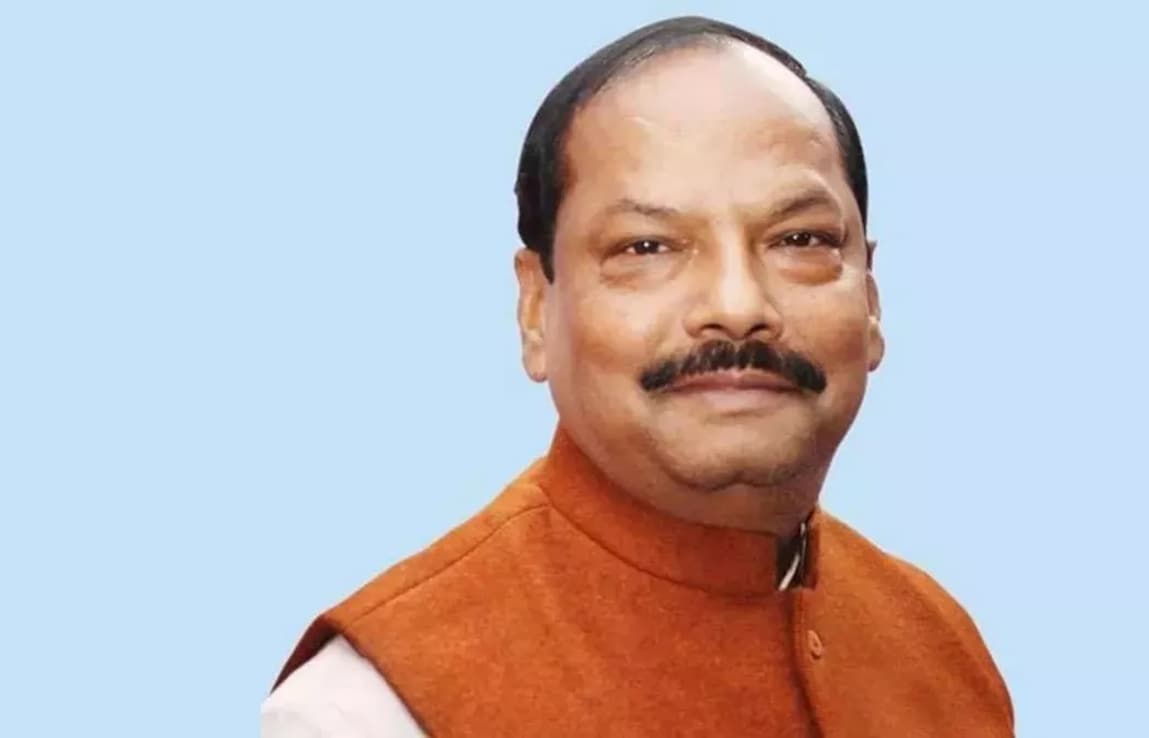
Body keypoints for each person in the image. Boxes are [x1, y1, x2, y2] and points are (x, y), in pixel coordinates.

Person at [261, 15, 1014, 737]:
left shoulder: (935, 642)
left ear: (872, 300)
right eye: (647, 247)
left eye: (800, 239)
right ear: (535, 309)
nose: (737, 307)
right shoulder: (373, 708)